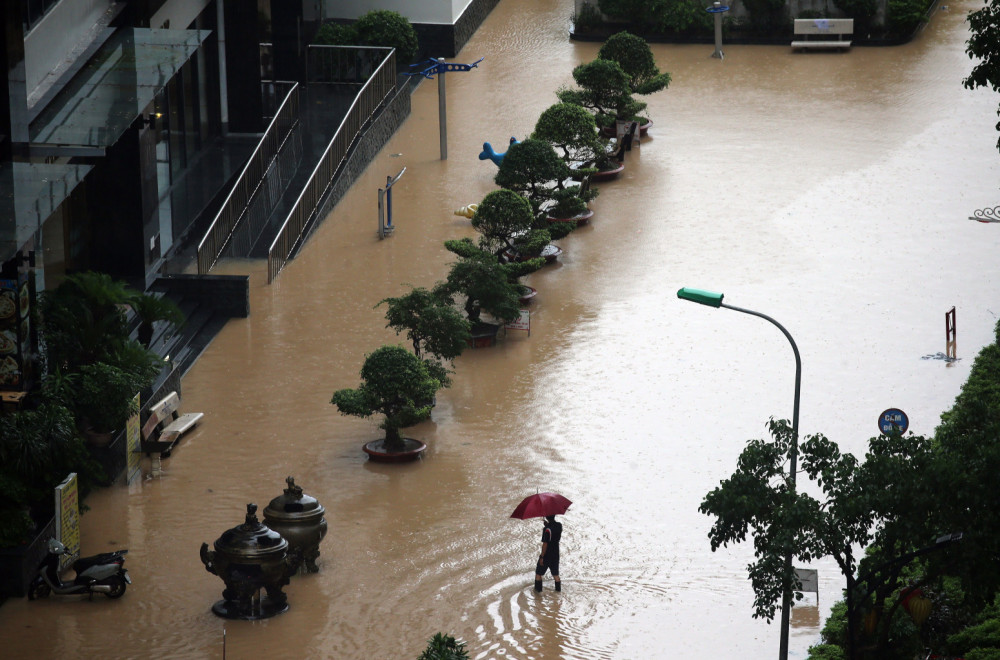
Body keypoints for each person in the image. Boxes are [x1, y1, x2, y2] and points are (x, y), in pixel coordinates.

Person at [534, 515, 562, 592]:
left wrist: (542, 557)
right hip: (556, 553)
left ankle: (537, 594)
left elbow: (545, 544)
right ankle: (558, 591)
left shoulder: (546, 529)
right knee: (555, 574)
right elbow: (554, 533)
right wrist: (548, 525)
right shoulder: (559, 525)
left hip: (547, 554)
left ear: (546, 517)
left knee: (538, 573)